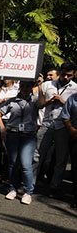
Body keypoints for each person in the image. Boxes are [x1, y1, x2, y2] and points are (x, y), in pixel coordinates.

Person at [0, 81, 39, 205]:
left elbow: (42, 103)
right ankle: (12, 188)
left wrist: (38, 86)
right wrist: (3, 128)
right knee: (12, 163)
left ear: (32, 87)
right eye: (23, 86)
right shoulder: (12, 101)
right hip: (13, 134)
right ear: (19, 87)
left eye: (28, 86)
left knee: (26, 164)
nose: (25, 88)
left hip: (28, 135)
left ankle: (28, 191)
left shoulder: (35, 101)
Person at [36, 63, 77, 194]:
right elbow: (39, 105)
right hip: (47, 122)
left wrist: (62, 101)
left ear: (74, 74)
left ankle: (54, 186)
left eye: (69, 75)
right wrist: (48, 100)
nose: (65, 77)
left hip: (63, 126)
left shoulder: (75, 88)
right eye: (63, 73)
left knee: (61, 158)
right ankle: (30, 183)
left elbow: (73, 109)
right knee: (37, 154)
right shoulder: (47, 85)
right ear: (59, 71)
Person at [56, 92, 77, 207]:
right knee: (75, 167)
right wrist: (71, 129)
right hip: (75, 136)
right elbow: (65, 116)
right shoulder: (73, 98)